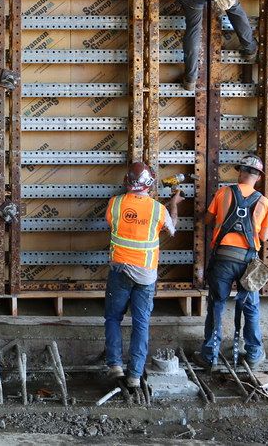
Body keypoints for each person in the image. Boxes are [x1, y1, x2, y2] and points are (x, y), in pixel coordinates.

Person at [104, 162, 181, 387]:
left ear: (127, 182)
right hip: (146, 276)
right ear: (150, 184)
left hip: (119, 271)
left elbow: (113, 223)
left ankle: (115, 366)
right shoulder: (159, 209)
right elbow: (172, 229)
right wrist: (173, 204)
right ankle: (135, 375)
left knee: (112, 318)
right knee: (141, 323)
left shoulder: (115, 203)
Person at [197, 153, 268, 368]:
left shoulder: (223, 193)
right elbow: (264, 237)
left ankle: (209, 355)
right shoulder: (264, 202)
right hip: (248, 262)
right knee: (250, 307)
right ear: (258, 177)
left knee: (216, 305)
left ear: (240, 172)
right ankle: (253, 354)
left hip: (222, 258)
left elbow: (208, 220)